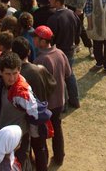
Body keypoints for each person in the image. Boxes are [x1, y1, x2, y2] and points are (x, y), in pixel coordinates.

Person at [33, 26, 71, 166]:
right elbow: (68, 74)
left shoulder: (40, 60)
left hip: (47, 104)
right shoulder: (60, 53)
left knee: (42, 133)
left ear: (43, 41)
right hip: (60, 101)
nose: (34, 39)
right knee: (57, 128)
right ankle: (59, 156)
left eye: (36, 37)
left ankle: (43, 162)